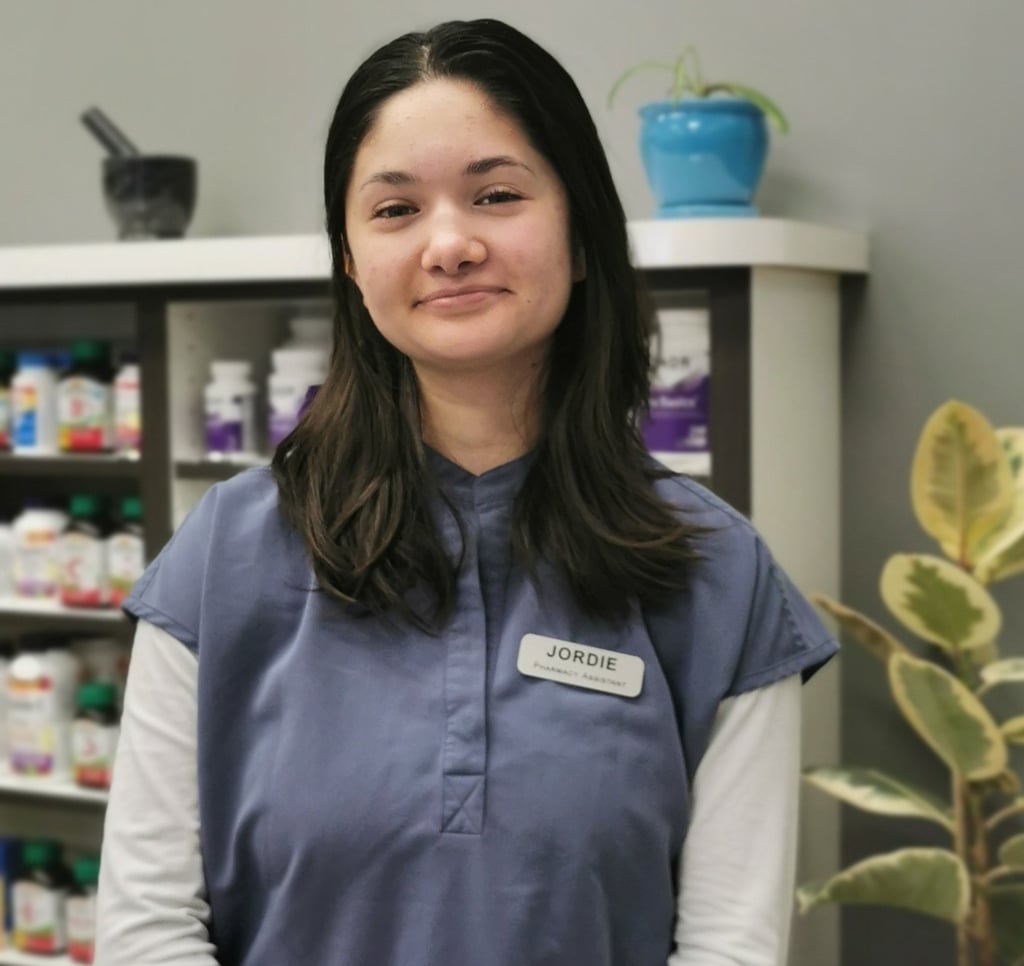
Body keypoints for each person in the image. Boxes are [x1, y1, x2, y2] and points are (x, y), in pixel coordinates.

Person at [95, 17, 837, 966]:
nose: (449, 244)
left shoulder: (715, 573)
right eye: (396, 211)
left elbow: (730, 947)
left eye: (495, 195)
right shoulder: (225, 555)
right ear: (353, 262)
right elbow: (147, 927)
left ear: (579, 235)